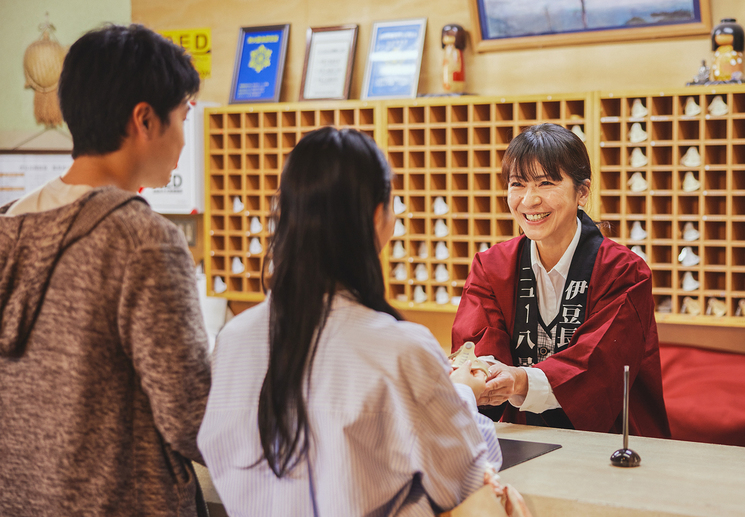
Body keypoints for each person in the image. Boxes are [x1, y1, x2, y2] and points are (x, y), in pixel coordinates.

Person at [198, 127, 503, 516]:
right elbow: (464, 479)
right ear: (378, 217)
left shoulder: (233, 340)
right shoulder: (401, 349)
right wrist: (462, 394)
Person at [0, 24, 210, 516]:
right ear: (145, 120)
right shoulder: (143, 240)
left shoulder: (9, 223)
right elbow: (193, 418)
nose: (184, 140)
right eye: (183, 117)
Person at [452, 123, 670, 437]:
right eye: (518, 184)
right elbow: (478, 345)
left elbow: (599, 366)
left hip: (608, 442)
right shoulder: (492, 267)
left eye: (546, 183)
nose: (529, 200)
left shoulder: (623, 272)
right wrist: (483, 372)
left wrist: (520, 380)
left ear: (582, 192)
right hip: (521, 437)